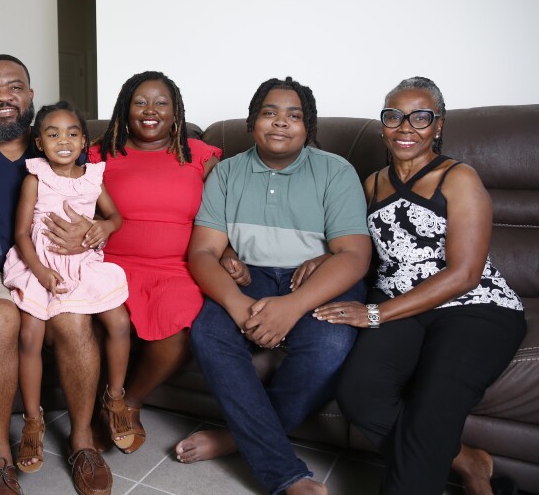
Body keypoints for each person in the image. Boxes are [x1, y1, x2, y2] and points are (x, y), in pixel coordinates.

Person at [314, 77, 526, 495]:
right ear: (383, 124)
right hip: (401, 303)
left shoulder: (459, 178)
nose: (405, 127)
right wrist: (318, 260)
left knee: (433, 407)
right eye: (394, 116)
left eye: (420, 117)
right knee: (359, 394)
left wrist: (375, 313)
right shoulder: (372, 183)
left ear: (438, 125)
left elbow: (465, 274)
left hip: (474, 306)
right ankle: (465, 459)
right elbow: (356, 248)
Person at [177, 77, 372, 495]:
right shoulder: (227, 173)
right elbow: (203, 252)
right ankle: (285, 474)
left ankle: (238, 438)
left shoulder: (336, 171)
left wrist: (293, 306)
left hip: (317, 276)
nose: (281, 122)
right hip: (252, 274)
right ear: (252, 122)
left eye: (294, 115)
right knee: (208, 333)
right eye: (269, 112)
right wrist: (235, 303)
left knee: (330, 345)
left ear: (308, 127)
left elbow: (354, 255)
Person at [0, 54, 112, 495]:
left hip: (55, 267)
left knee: (75, 321)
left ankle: (82, 442)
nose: (3, 97)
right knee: (0, 320)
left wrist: (95, 232)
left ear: (30, 94)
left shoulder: (54, 143)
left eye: (14, 87)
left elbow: (94, 203)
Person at [88, 71, 228, 453]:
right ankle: (100, 405)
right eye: (140, 102)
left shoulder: (200, 155)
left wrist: (229, 253)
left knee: (178, 333)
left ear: (175, 111)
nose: (150, 110)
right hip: (111, 264)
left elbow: (225, 213)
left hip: (175, 268)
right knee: (96, 324)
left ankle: (128, 402)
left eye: (161, 103)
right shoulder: (100, 153)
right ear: (125, 110)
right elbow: (75, 198)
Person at [3, 102, 131, 474]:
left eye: (72, 133)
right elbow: (20, 233)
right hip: (40, 263)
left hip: (83, 262)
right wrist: (40, 271)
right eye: (53, 134)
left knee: (120, 322)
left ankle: (115, 398)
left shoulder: (93, 178)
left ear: (84, 142)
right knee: (30, 336)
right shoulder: (35, 178)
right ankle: (32, 419)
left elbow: (115, 216)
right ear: (39, 143)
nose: (63, 140)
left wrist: (106, 227)